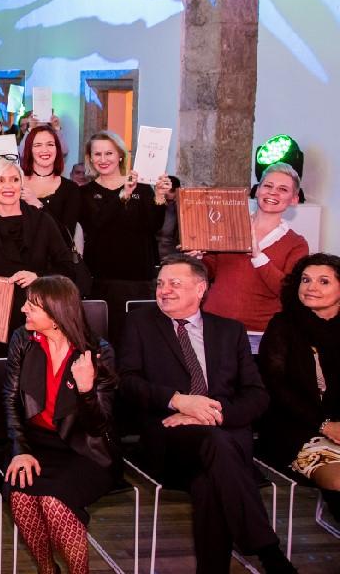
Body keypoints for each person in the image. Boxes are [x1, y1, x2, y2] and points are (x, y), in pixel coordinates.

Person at [117, 255, 295, 574]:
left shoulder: (230, 331)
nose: (164, 290)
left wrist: (211, 413)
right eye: (160, 283)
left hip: (224, 438)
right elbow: (126, 382)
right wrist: (179, 401)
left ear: (201, 288)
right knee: (216, 448)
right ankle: (269, 551)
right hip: (171, 440)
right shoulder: (140, 323)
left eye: (175, 283)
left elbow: (257, 395)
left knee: (208, 483)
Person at [3, 275, 120, 574]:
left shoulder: (98, 352)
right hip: (37, 445)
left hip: (86, 451)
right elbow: (10, 399)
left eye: (32, 305)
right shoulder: (23, 340)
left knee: (55, 502)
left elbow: (99, 426)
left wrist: (86, 390)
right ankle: (46, 569)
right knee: (20, 493)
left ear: (56, 314)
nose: (23, 310)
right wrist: (20, 449)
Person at [0, 157, 85, 359]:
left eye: (14, 179)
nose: (8, 186)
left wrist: (38, 277)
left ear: (21, 183)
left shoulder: (42, 221)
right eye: (0, 180)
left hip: (43, 320)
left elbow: (68, 268)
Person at [255, 253, 340, 519]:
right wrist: (325, 424)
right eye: (306, 280)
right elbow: (276, 386)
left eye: (324, 281)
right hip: (295, 428)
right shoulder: (283, 325)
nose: (312, 287)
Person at [78, 130, 171, 344]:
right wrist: (123, 195)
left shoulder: (143, 188)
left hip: (138, 281)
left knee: (138, 344)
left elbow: (153, 226)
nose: (103, 160)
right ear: (90, 158)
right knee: (103, 346)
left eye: (109, 153)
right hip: (101, 282)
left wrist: (158, 197)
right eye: (97, 154)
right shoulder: (85, 193)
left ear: (120, 155)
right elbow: (98, 222)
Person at [199, 163, 309, 332]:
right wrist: (196, 259)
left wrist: (257, 255)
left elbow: (287, 291)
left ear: (294, 199)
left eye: (283, 189)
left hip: (260, 333)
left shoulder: (297, 244)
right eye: (268, 186)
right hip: (213, 324)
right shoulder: (226, 227)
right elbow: (208, 270)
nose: (273, 192)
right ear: (257, 190)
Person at [19, 124, 79, 245]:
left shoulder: (70, 189)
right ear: (29, 150)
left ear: (57, 149)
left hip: (54, 261)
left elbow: (66, 237)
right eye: (38, 145)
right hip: (19, 260)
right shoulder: (16, 184)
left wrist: (38, 205)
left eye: (50, 144)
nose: (45, 150)